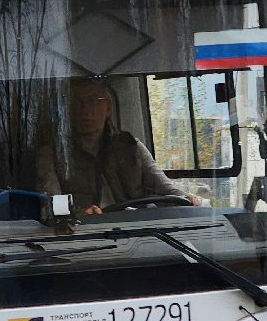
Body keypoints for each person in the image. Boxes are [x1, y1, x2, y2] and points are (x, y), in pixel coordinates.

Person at [35, 76, 201, 216]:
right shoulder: (52, 154)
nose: (85, 110)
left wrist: (186, 199)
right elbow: (50, 205)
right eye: (77, 102)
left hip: (136, 230)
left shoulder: (132, 147)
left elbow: (165, 188)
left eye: (93, 101)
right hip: (85, 234)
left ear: (108, 108)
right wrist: (79, 213)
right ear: (67, 110)